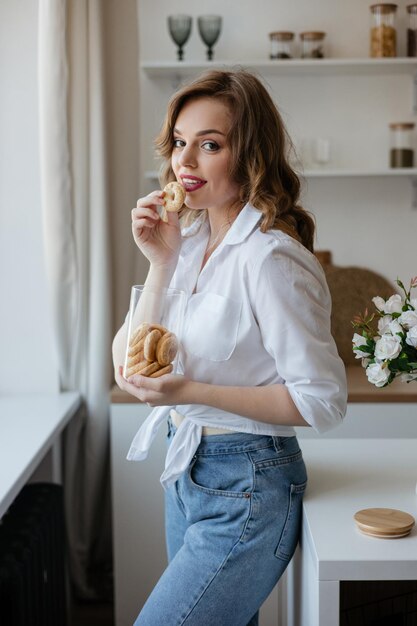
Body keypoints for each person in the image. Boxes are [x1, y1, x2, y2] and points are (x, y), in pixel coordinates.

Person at [112, 68, 347, 626]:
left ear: (249, 157)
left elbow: (321, 402)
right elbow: (129, 363)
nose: (184, 162)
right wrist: (159, 263)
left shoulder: (271, 260)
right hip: (186, 469)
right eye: (178, 143)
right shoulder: (185, 242)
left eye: (209, 145)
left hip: (249, 483)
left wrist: (189, 390)